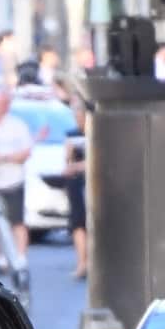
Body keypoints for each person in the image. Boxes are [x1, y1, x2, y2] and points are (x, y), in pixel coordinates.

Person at [0, 89, 34, 256]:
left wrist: (5, 158)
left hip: (13, 182)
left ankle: (20, 258)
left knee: (16, 223)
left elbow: (26, 152)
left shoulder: (17, 126)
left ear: (6, 106)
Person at [64, 103, 89, 280]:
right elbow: (67, 162)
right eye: (77, 117)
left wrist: (79, 166)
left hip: (92, 182)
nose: (79, 120)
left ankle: (90, 262)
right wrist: (70, 156)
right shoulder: (72, 135)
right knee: (78, 223)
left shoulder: (97, 133)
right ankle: (82, 262)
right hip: (76, 183)